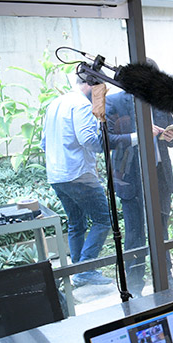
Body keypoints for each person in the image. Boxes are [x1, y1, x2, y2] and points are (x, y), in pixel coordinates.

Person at [105, 60, 173, 296]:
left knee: (162, 230)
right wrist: (140, 136)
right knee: (135, 233)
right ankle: (135, 285)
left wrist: (171, 137)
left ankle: (166, 277)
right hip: (131, 175)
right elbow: (105, 141)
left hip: (159, 174)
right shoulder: (115, 101)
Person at [42, 76, 112, 287]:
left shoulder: (56, 103)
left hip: (57, 175)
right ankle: (86, 270)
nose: (101, 95)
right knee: (103, 220)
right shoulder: (82, 104)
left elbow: (43, 143)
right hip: (79, 175)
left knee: (76, 223)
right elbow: (88, 139)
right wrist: (110, 144)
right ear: (91, 85)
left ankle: (78, 271)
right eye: (100, 90)